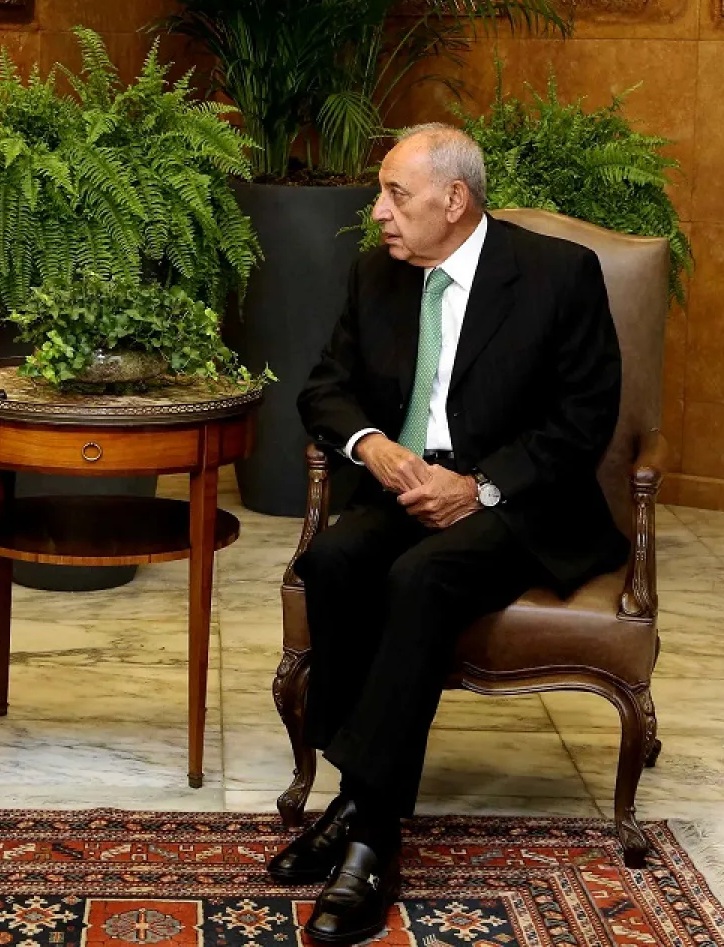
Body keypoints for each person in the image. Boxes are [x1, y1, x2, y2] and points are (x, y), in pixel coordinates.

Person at [270, 124, 626, 943]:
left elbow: (583, 424)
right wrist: (376, 448)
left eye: (396, 194)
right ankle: (362, 790)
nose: (380, 213)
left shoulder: (556, 276)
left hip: (517, 505)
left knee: (422, 577)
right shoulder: (377, 276)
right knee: (332, 559)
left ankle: (368, 832)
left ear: (454, 199)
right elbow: (325, 389)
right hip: (403, 487)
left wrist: (480, 487)